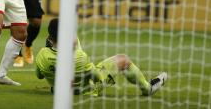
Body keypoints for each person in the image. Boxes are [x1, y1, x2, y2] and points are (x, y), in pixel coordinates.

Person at [35, 18, 168, 96]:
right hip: (86, 90)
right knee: (124, 60)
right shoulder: (81, 56)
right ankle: (147, 88)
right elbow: (96, 77)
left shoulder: (42, 55)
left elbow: (39, 76)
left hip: (58, 89)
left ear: (50, 38)